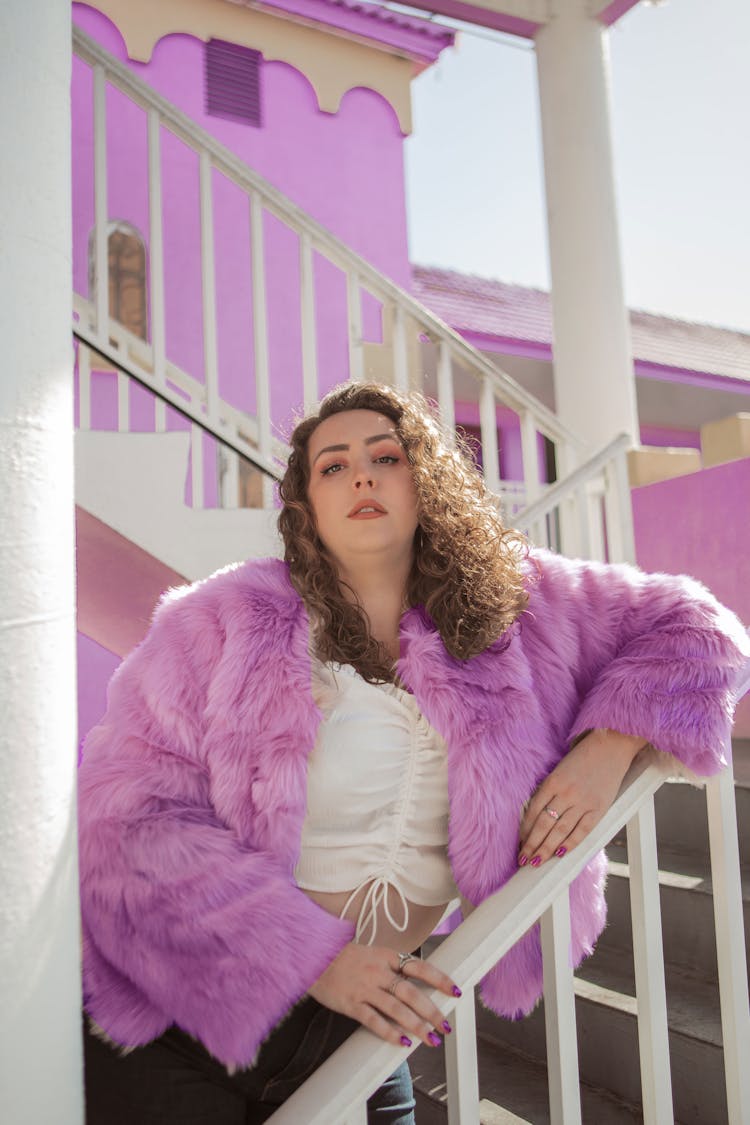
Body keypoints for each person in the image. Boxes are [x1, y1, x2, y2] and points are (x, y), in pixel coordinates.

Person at [78, 382, 749, 1124]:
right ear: (304, 506)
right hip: (178, 1017)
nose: (361, 475)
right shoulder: (219, 622)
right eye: (332, 466)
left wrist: (609, 743)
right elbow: (127, 823)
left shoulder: (524, 608)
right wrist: (312, 959)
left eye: (385, 455)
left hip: (363, 1037)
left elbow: (704, 627)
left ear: (425, 479)